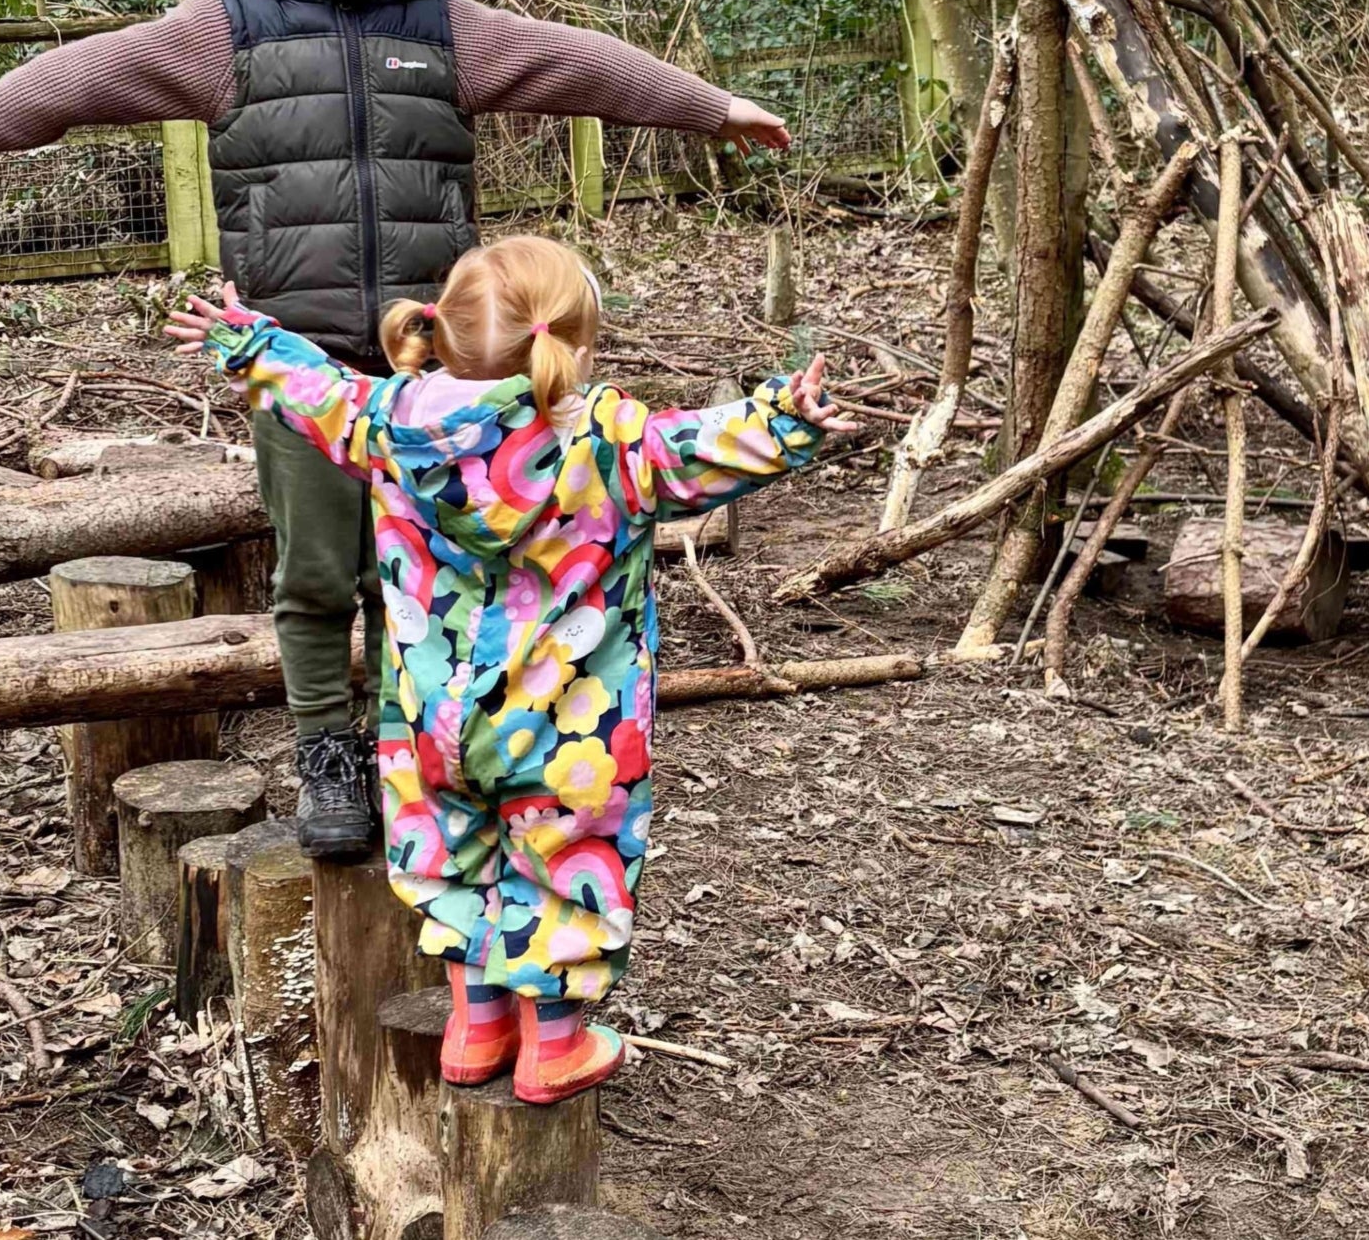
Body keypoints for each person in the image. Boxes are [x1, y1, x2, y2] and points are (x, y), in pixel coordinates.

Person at [0, 0, 792, 863]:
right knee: (319, 571)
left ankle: (412, 740)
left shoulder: (444, 28)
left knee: (421, 566)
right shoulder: (224, 34)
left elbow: (583, 64)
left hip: (436, 366)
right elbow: (76, 80)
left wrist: (711, 107)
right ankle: (326, 747)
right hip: (297, 358)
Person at [164, 236, 854, 1104]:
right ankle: (552, 1048)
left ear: (444, 331)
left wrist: (250, 339)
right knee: (563, 865)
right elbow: (709, 444)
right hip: (575, 730)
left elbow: (318, 391)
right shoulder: (615, 439)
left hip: (434, 725)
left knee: (456, 858)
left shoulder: (390, 420)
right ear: (573, 343)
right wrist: (790, 415)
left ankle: (475, 1027)